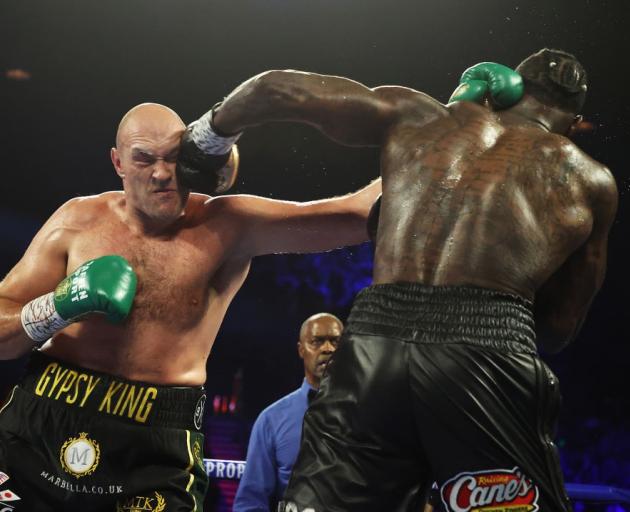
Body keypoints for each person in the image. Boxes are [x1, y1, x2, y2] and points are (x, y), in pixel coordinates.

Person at [182, 49, 618, 512]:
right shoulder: (591, 180)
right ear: (574, 124)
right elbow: (556, 330)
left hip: (374, 346)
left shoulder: (421, 115)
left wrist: (205, 140)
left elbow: (276, 87)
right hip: (486, 352)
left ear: (509, 88)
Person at [0, 103, 380, 511]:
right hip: (43, 420)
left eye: (174, 158)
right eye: (144, 158)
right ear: (118, 163)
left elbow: (358, 215)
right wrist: (57, 306)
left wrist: (444, 138)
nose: (161, 173)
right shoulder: (76, 221)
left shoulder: (228, 225)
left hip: (155, 443)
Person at [233, 313, 342, 512]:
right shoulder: (272, 420)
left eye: (335, 342)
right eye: (317, 342)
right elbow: (251, 502)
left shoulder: (367, 416)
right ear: (301, 350)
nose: (328, 349)